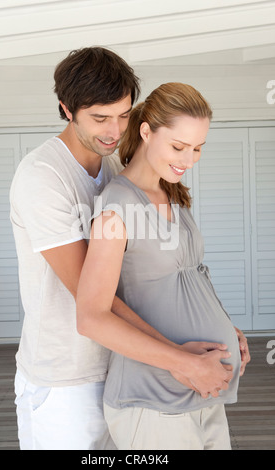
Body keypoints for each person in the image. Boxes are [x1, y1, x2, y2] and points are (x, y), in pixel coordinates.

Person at [10, 46, 249, 450]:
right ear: (67, 109)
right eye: (100, 118)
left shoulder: (115, 169)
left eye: (123, 115)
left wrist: (218, 330)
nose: (114, 130)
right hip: (68, 381)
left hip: (130, 367)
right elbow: (91, 300)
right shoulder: (43, 178)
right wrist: (180, 357)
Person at [76, 82, 250, 450]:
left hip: (203, 390)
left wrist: (228, 330)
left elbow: (187, 280)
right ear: (146, 131)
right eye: (178, 146)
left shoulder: (171, 194)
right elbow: (91, 316)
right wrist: (186, 364)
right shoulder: (117, 205)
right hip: (154, 400)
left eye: (198, 148)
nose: (188, 160)